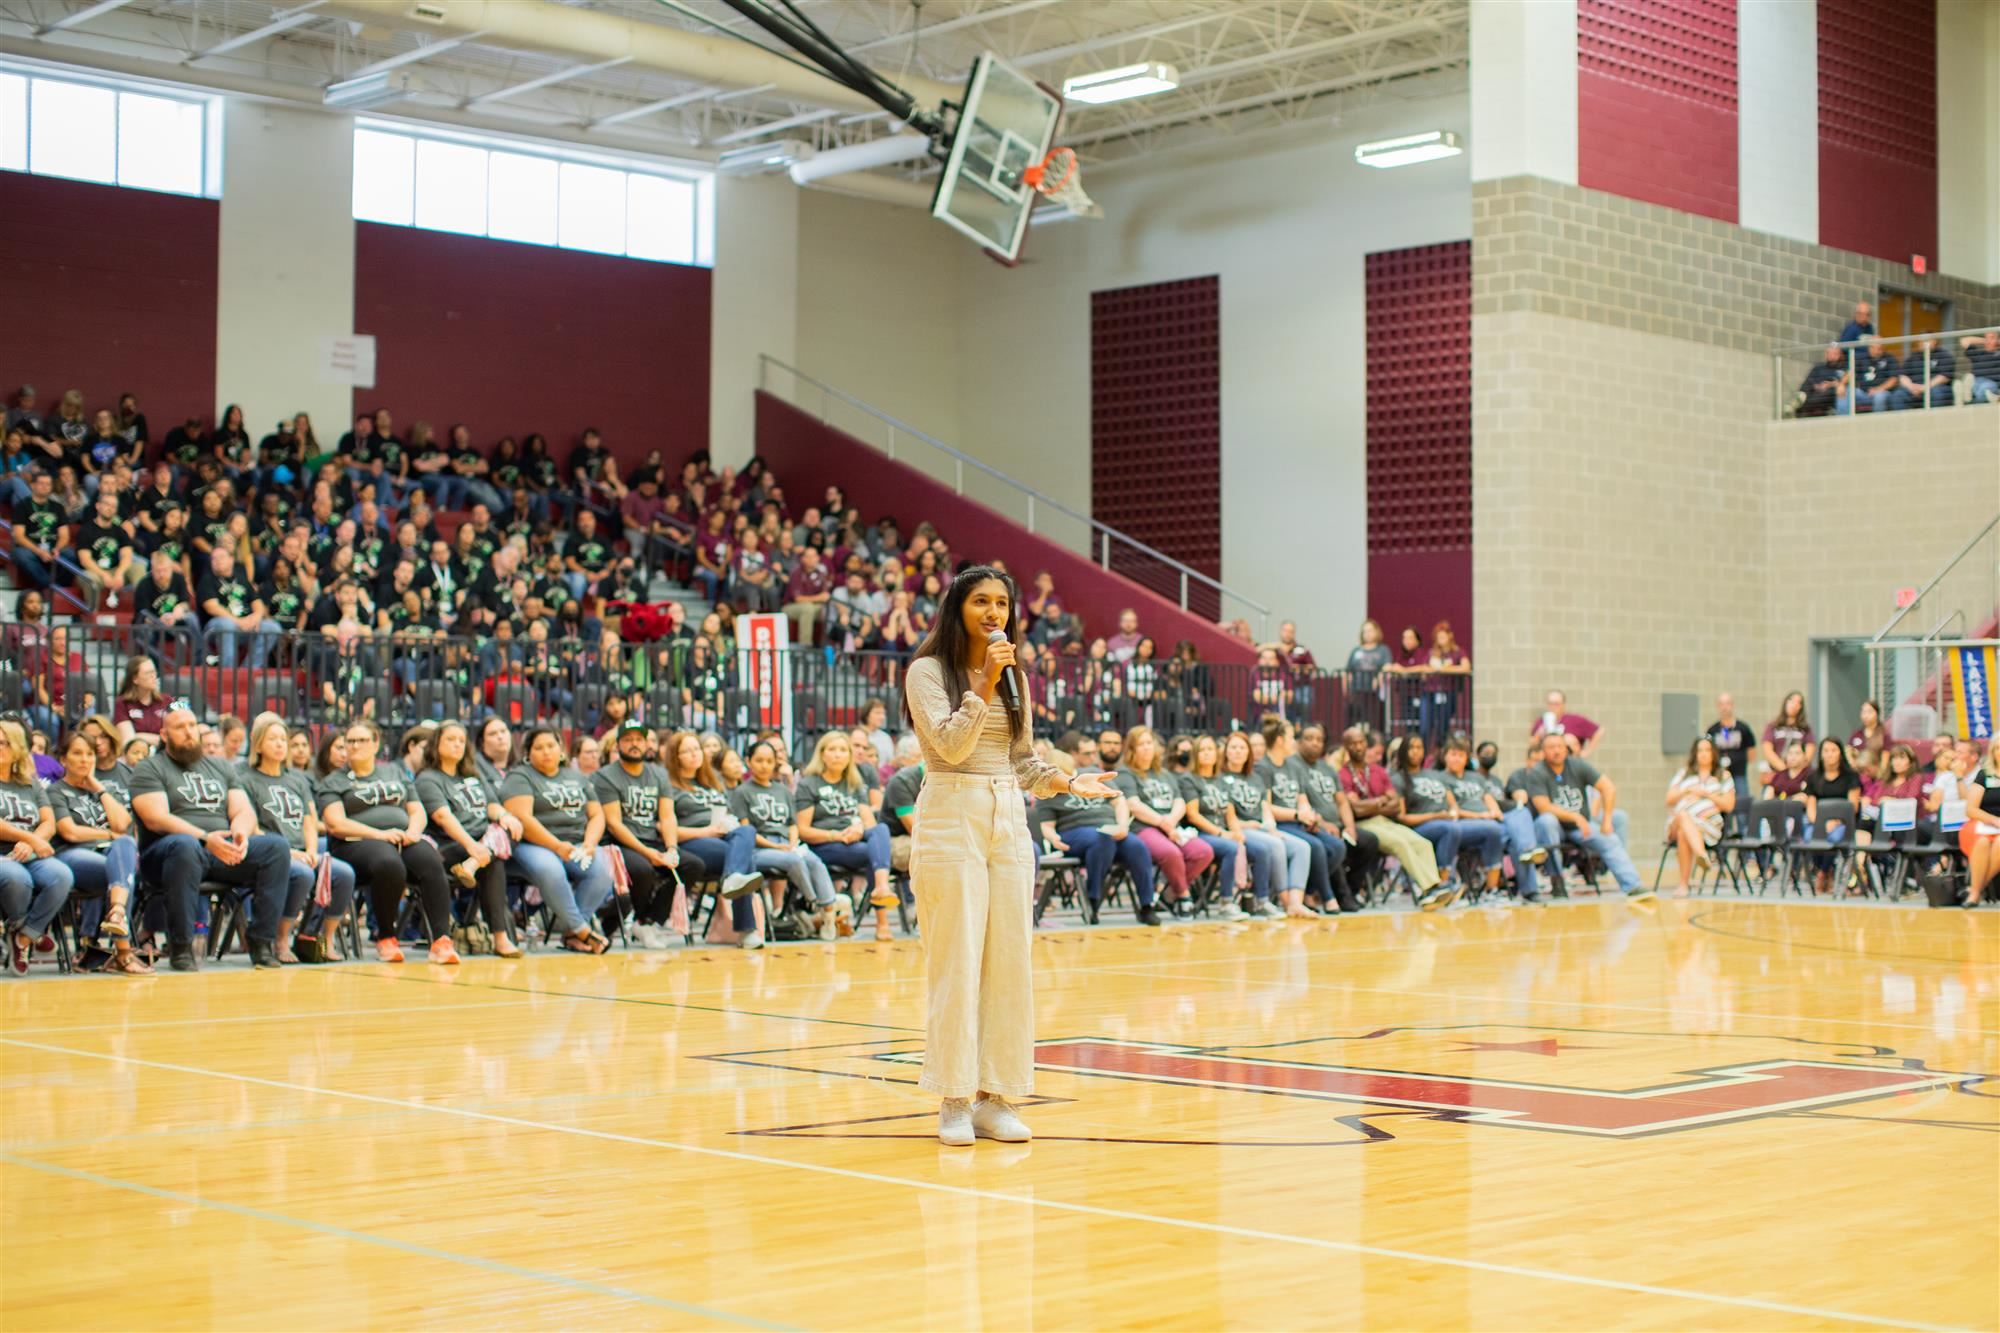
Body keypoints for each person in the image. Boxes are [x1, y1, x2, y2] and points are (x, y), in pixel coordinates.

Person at [903, 564, 1116, 1146]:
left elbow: (1021, 762)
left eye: (1001, 602)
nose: (993, 613)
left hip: (1007, 815)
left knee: (1008, 960)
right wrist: (985, 685)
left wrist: (1071, 783)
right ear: (957, 609)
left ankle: (995, 1097)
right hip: (951, 810)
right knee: (957, 959)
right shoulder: (928, 671)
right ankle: (952, 1098)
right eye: (980, 602)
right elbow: (948, 744)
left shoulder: (1016, 676)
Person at [129, 702, 290, 971]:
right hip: (167, 855)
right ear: (165, 735)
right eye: (180, 727)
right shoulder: (150, 767)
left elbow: (243, 809)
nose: (189, 732)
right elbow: (156, 818)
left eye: (192, 725)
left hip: (219, 850)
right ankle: (181, 946)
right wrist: (206, 839)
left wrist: (240, 832)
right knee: (184, 845)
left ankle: (261, 942)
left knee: (276, 847)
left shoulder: (220, 767)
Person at [320, 719, 458, 964]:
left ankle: (441, 941)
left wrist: (413, 833)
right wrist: (380, 834)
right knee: (388, 862)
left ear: (376, 744)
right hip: (355, 843)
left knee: (429, 858)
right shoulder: (334, 781)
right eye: (349, 741)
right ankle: (386, 937)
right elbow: (335, 824)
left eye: (361, 740)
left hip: (402, 838)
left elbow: (416, 810)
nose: (354, 746)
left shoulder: (393, 772)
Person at [240, 715, 354, 963]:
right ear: (258, 745)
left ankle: (318, 939)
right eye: (273, 739)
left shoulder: (298, 779)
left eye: (283, 739)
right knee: (302, 874)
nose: (280, 744)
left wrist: (312, 850)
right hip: (272, 854)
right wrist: (292, 854)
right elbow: (251, 827)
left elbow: (308, 821)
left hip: (303, 850)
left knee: (344, 874)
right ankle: (280, 940)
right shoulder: (245, 779)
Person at [504, 725, 618, 955]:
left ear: (561, 749)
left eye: (551, 746)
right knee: (551, 869)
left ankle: (571, 933)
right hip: (532, 845)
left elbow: (596, 815)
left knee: (604, 869)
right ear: (528, 753)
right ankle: (583, 931)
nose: (546, 752)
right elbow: (523, 819)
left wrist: (589, 844)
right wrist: (556, 845)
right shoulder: (520, 777)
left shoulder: (576, 777)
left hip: (574, 843)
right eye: (539, 748)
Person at [418, 721, 525, 957]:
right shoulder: (428, 779)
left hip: (481, 843)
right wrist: (472, 847)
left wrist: (504, 816)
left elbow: (492, 804)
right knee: (494, 860)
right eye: (450, 740)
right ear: (436, 744)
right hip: (451, 846)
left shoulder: (472, 774)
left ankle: (474, 865)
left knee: (514, 827)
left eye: (461, 740)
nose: (457, 745)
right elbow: (443, 817)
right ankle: (500, 937)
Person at [593, 719, 697, 949]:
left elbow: (667, 817)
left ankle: (649, 922)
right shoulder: (605, 777)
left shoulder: (659, 775)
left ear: (647, 743)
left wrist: (671, 849)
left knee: (693, 865)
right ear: (618, 744)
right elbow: (614, 824)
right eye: (628, 740)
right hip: (619, 843)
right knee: (642, 869)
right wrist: (648, 853)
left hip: (653, 840)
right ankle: (636, 918)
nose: (634, 744)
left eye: (639, 739)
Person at [730, 740, 850, 940]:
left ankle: (828, 915)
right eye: (759, 760)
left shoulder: (783, 790)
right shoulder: (742, 792)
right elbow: (746, 830)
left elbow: (793, 824)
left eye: (769, 761)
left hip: (787, 843)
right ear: (749, 762)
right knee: (794, 860)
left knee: (813, 860)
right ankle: (816, 902)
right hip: (761, 847)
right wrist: (776, 846)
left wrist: (792, 843)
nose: (764, 765)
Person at [663, 730, 765, 948]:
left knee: (747, 832)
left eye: (696, 749)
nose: (694, 754)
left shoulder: (713, 782)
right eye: (687, 751)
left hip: (724, 838)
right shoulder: (668, 786)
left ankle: (732, 878)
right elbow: (664, 827)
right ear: (675, 757)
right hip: (693, 841)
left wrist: (728, 824)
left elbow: (729, 815)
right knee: (745, 860)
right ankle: (746, 930)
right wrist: (705, 832)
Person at [796, 731, 898, 941]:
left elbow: (869, 822)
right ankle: (882, 920)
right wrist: (835, 835)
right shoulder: (809, 784)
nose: (837, 755)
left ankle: (881, 887)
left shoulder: (855, 783)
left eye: (843, 750)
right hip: (824, 845)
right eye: (832, 750)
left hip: (854, 840)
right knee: (874, 854)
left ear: (849, 756)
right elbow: (803, 830)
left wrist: (859, 829)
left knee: (881, 830)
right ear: (822, 754)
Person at [1524, 732, 1648, 902]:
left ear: (1566, 749)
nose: (1556, 751)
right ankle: (1557, 880)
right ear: (1544, 751)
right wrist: (1575, 817)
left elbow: (1608, 788)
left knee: (1609, 839)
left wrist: (1606, 821)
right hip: (1554, 828)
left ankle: (1633, 886)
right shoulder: (1538, 772)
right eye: (1551, 747)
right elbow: (1543, 806)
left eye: (1560, 746)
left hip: (1581, 827)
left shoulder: (1578, 765)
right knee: (1547, 821)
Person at [1114, 726, 1226, 915]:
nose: (1147, 748)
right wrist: (1162, 823)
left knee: (1203, 852)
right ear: (1132, 749)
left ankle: (1168, 895)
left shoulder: (1164, 774)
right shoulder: (1126, 773)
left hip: (1171, 825)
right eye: (1141, 744)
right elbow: (1133, 805)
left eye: (1149, 743)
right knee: (1171, 853)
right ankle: (1183, 896)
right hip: (1143, 827)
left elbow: (1180, 801)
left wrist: (1171, 821)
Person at [1256, 715, 1354, 914]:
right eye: (1292, 738)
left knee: (1336, 847)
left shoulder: (1293, 766)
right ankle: (1327, 897)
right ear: (1280, 740)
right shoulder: (1263, 767)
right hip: (1281, 824)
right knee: (1316, 847)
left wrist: (1310, 816)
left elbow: (1302, 799)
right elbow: (1265, 806)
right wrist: (1296, 815)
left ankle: (1308, 890)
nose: (1295, 742)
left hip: (1298, 822)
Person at [0, 720, 75, 975]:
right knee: (16, 877)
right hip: (3, 854)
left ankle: (23, 937)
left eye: (4, 743)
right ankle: (26, 928)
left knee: (61, 875)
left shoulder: (30, 783)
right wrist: (30, 838)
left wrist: (31, 841)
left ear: (18, 748)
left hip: (28, 851)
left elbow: (48, 822)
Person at [1334, 724, 1442, 899]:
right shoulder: (1343, 774)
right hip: (1364, 824)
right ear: (1346, 747)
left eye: (1361, 742)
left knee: (1423, 844)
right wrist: (1381, 801)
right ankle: (1428, 890)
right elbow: (1355, 809)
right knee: (1401, 844)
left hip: (1385, 821)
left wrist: (1370, 804)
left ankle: (1435, 886)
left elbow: (1395, 805)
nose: (1358, 747)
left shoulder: (1379, 771)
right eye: (1353, 744)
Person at [1182, 733, 1272, 917]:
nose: (1207, 754)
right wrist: (1221, 833)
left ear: (1217, 754)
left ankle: (1262, 901)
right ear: (1195, 754)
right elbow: (1193, 815)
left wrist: (1238, 833)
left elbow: (1230, 814)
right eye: (1202, 750)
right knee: (1231, 849)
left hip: (1224, 832)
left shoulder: (1222, 780)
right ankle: (1226, 903)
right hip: (1201, 833)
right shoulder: (1189, 779)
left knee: (1261, 849)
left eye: (1210, 750)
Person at [1389, 734, 1466, 910]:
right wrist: (1435, 816)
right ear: (1403, 752)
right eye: (1411, 748)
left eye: (1420, 747)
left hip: (1445, 822)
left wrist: (1452, 812)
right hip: (1416, 828)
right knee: (1449, 829)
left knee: (1452, 828)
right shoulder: (1398, 778)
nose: (1416, 752)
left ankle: (1445, 885)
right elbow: (1401, 817)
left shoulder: (1434, 775)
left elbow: (1452, 802)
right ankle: (1443, 882)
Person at [1434, 735, 1511, 899]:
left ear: (1467, 758)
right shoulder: (1440, 778)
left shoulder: (1476, 777)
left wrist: (1495, 812)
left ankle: (1494, 888)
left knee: (1509, 826)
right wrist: (1481, 815)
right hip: (1462, 824)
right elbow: (1452, 808)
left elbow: (1489, 799)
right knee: (1494, 830)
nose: (1456, 759)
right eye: (1453, 754)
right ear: (1444, 756)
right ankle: (1488, 888)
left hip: (1486, 823)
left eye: (1461, 755)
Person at [1663, 737, 1734, 897]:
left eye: (1707, 750)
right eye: (1700, 750)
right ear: (1695, 754)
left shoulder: (1723, 776)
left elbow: (1729, 805)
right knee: (1682, 816)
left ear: (1713, 753)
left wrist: (1707, 794)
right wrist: (1688, 791)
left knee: (1684, 833)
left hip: (1707, 827)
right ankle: (1702, 854)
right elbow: (1669, 799)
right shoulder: (1684, 774)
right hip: (1676, 824)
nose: (1703, 754)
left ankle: (1683, 885)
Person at [1801, 738, 1862, 895]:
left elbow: (1853, 806)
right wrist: (1820, 823)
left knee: (1834, 837)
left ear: (1840, 754)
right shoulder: (1814, 777)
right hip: (1819, 822)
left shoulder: (1851, 776)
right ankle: (1825, 872)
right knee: (1810, 836)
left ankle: (1822, 873)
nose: (1830, 754)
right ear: (1821, 754)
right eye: (1826, 750)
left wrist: (1835, 821)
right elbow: (1811, 805)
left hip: (1843, 822)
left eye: (1833, 750)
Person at [1956, 737, 2000, 908]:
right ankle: (1975, 892)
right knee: (1981, 841)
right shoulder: (1984, 775)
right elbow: (1971, 809)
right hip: (1981, 823)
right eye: (1997, 748)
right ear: (1992, 752)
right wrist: (1994, 820)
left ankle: (1975, 889)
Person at [1704, 692, 1758, 807]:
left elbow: (1751, 753)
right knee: (1723, 807)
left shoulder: (1743, 728)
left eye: (1727, 704)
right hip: (1719, 775)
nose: (1725, 707)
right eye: (1722, 704)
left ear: (1732, 705)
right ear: (1718, 706)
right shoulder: (1712, 730)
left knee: (1743, 807)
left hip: (1739, 775)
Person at [1836, 339, 1902, 415]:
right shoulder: (1862, 357)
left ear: (1883, 348)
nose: (1876, 351)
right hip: (1863, 393)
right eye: (1873, 347)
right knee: (1845, 391)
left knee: (1880, 397)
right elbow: (1851, 372)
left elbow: (1893, 379)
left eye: (1879, 348)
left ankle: (1876, 424)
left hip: (1882, 392)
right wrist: (1841, 384)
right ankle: (1843, 423)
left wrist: (1879, 389)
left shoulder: (1890, 358)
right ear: (1869, 347)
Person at [1531, 689, 1602, 756]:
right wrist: (1538, 735)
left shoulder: (1574, 720)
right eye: (1550, 704)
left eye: (1556, 704)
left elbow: (1598, 731)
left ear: (1563, 705)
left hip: (1571, 763)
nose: (1553, 707)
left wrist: (1586, 752)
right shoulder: (1541, 721)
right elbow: (1532, 745)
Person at [1761, 691, 1813, 778]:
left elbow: (1809, 752)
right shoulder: (1773, 726)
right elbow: (1767, 750)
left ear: (1801, 707)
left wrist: (1795, 771)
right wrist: (1784, 769)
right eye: (1791, 700)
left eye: (1798, 702)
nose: (1794, 704)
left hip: (1798, 775)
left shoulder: (1805, 728)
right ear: (1786, 702)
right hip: (1777, 773)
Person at [1848, 700, 1889, 772]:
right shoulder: (1856, 733)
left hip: (1876, 774)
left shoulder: (1884, 733)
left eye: (1869, 712)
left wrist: (1880, 774)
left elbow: (1885, 757)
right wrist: (1853, 764)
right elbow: (1848, 750)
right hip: (1858, 773)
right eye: (1863, 712)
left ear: (1876, 713)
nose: (1865, 715)